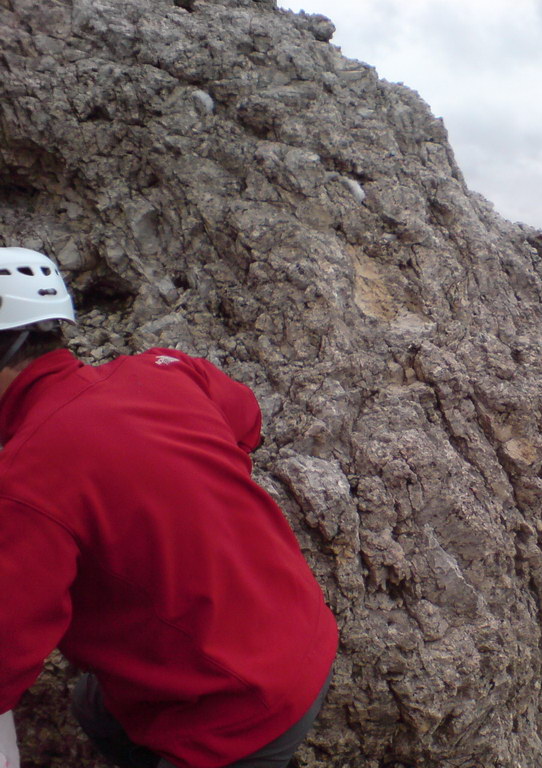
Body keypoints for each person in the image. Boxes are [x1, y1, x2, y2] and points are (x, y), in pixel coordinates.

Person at [0, 247, 339, 768]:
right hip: (300, 632)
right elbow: (245, 417)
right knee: (95, 706)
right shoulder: (163, 371)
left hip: (234, 707)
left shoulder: (28, 478)